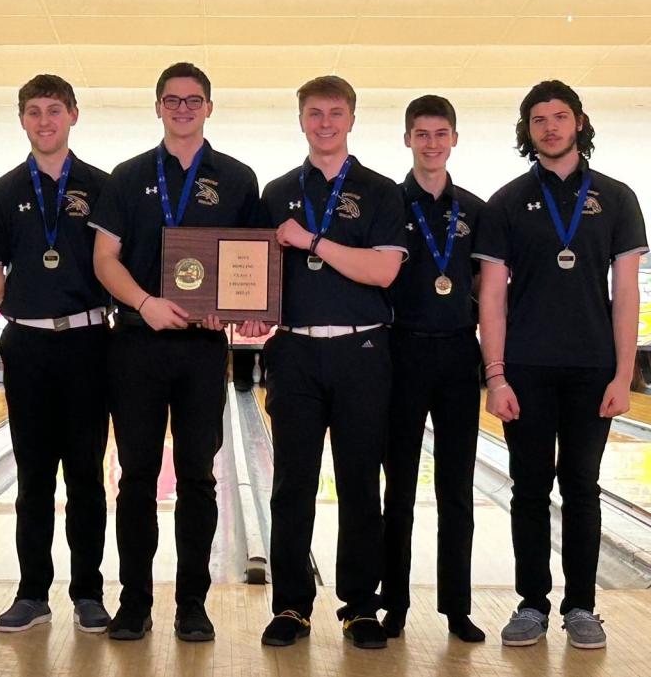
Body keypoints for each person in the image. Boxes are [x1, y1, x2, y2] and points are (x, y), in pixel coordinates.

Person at [89, 62, 259, 641]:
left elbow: (249, 267)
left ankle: (192, 603)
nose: (182, 108)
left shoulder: (237, 178)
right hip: (137, 342)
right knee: (135, 477)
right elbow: (104, 259)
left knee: (199, 480)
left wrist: (231, 311)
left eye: (193, 100)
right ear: (157, 106)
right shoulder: (126, 176)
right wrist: (144, 302)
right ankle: (134, 602)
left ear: (209, 107)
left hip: (203, 349)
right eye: (172, 100)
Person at [475, 80, 646, 650]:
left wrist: (624, 376)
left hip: (592, 368)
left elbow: (626, 294)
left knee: (582, 486)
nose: (550, 127)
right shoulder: (506, 202)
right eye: (538, 119)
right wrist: (495, 375)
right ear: (526, 130)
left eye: (560, 117)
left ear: (578, 122)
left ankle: (581, 606)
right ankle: (531, 603)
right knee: (527, 488)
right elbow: (492, 297)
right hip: (525, 367)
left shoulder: (617, 198)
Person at [256, 75, 405, 650]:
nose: (325, 122)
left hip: (362, 349)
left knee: (360, 484)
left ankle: (360, 607)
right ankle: (291, 605)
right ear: (300, 120)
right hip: (293, 350)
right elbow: (254, 275)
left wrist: (312, 241)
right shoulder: (274, 191)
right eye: (314, 113)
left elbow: (384, 271)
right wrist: (246, 314)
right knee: (291, 484)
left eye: (335, 113)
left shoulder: (380, 191)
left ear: (351, 119)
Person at [0, 74, 111, 634]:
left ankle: (88, 592)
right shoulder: (5, 191)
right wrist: (22, 315)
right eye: (34, 111)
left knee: (86, 475)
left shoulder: (102, 187)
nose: (45, 120)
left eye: (55, 110)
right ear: (23, 119)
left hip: (87, 341)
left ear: (73, 114)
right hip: (27, 344)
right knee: (33, 476)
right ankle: (32, 593)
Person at [380, 95, 485, 642]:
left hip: (457, 356)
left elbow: (490, 292)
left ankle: (457, 607)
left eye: (441, 133)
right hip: (400, 352)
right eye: (421, 134)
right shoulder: (386, 204)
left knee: (457, 488)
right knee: (397, 488)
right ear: (407, 140)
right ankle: (393, 602)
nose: (431, 143)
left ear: (454, 139)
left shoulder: (475, 210)